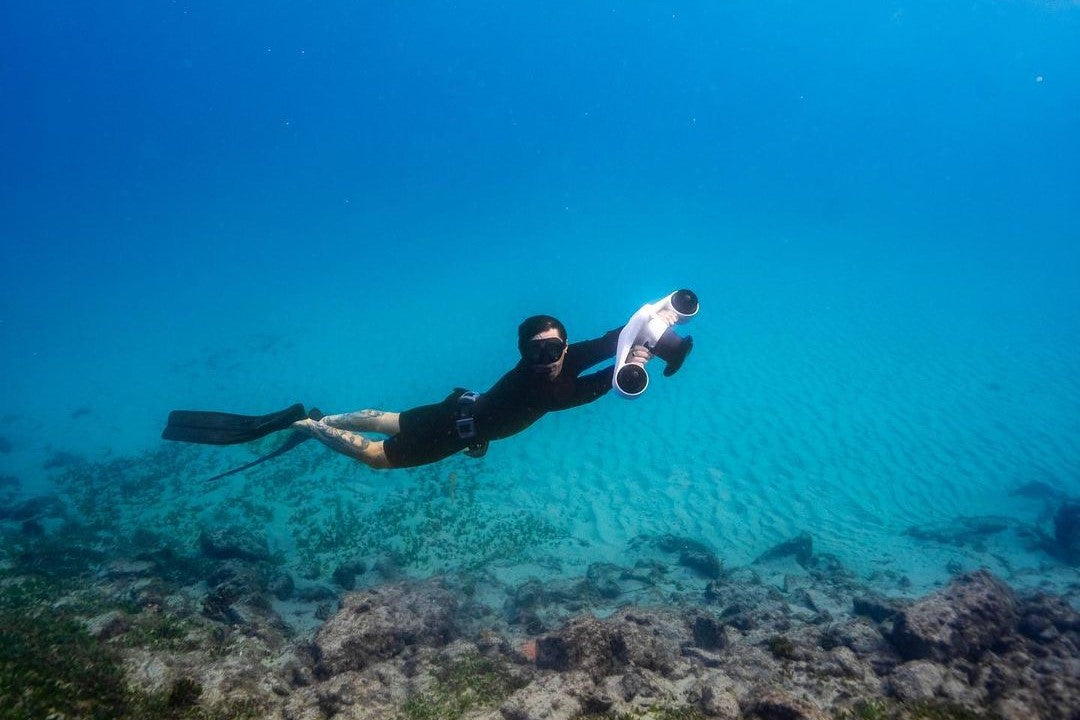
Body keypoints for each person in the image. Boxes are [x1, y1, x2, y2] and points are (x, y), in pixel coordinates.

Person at [289, 314, 657, 469]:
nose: (547, 359)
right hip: (452, 432)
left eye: (554, 349)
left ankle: (327, 418)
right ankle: (307, 425)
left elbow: (613, 340)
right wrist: (640, 360)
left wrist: (655, 324)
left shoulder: (564, 359)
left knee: (392, 420)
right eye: (536, 352)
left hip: (459, 407)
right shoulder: (543, 389)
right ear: (523, 353)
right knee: (374, 456)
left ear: (566, 344)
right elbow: (604, 384)